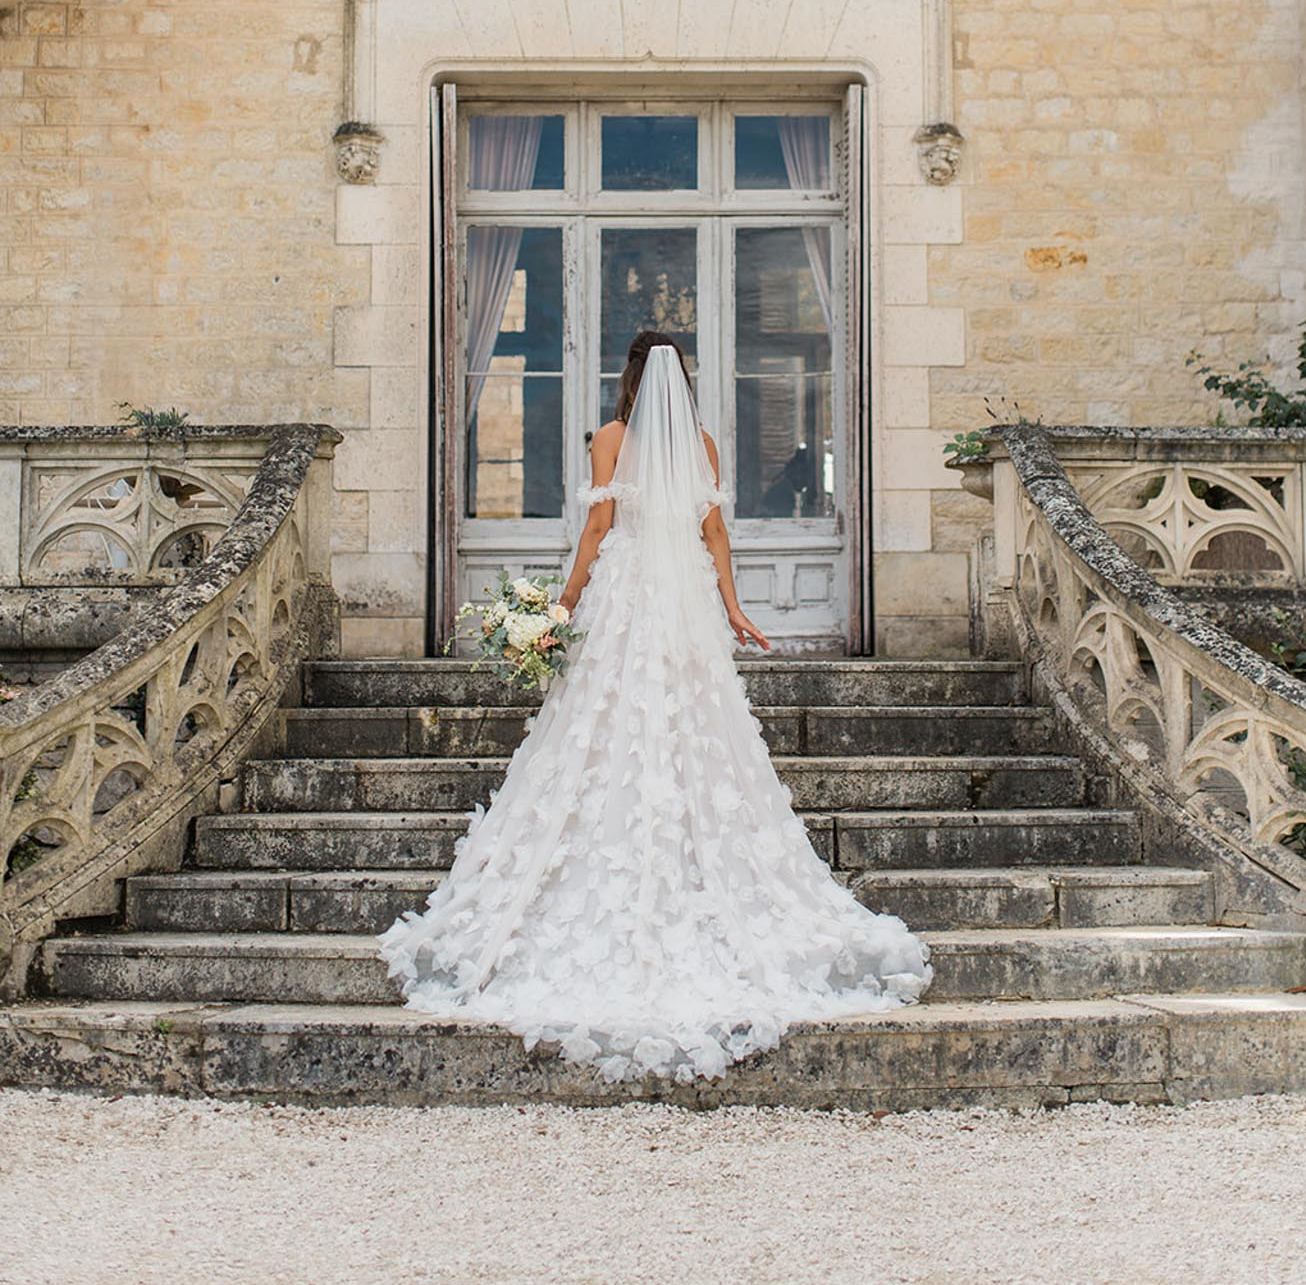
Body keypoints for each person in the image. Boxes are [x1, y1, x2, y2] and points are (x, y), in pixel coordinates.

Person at [378, 333, 932, 1083]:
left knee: (602, 727)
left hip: (627, 593)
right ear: (682, 385)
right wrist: (733, 608)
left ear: (629, 379)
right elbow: (713, 533)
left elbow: (601, 527)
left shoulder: (610, 438)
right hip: (682, 604)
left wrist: (562, 604)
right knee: (694, 727)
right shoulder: (700, 443)